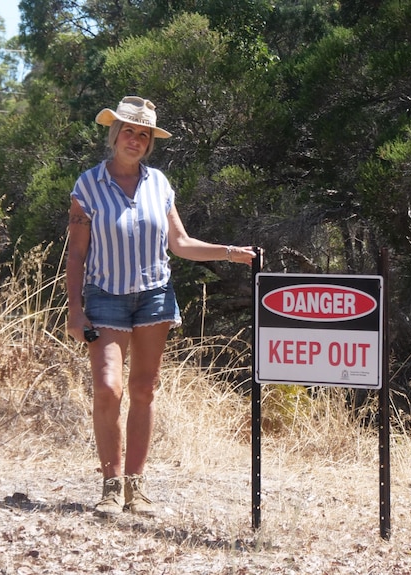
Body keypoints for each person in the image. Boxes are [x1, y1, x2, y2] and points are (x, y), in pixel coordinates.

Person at [65, 96, 256, 516]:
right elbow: (76, 254)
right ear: (115, 135)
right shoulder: (88, 186)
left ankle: (135, 486)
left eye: (144, 134)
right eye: (128, 131)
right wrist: (74, 310)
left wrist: (229, 251)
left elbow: (181, 244)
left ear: (150, 142)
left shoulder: (159, 184)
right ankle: (110, 485)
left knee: (144, 390)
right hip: (105, 298)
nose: (135, 140)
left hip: (154, 297)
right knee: (107, 387)